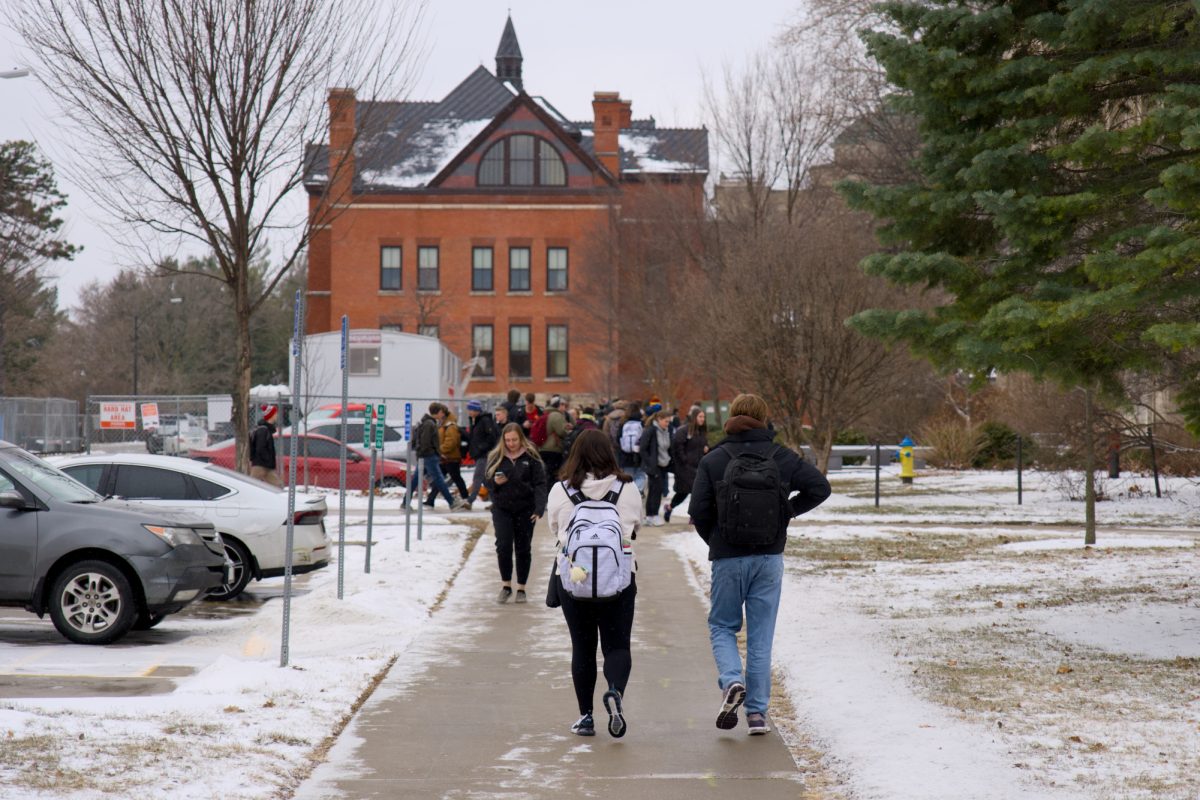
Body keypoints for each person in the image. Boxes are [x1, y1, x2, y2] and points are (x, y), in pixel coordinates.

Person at [691, 393, 831, 736]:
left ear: (732, 416)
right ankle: (756, 715)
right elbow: (820, 487)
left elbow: (698, 511)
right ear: (763, 419)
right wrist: (787, 512)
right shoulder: (781, 456)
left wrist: (718, 541)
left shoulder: (715, 459)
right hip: (769, 558)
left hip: (728, 557)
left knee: (722, 626)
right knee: (760, 636)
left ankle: (731, 682)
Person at [546, 429, 642, 738]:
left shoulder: (561, 490)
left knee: (583, 648)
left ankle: (585, 717)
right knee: (617, 646)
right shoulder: (627, 488)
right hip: (619, 579)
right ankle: (614, 692)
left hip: (574, 579)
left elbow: (554, 529)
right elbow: (634, 527)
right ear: (609, 453)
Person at [485, 422, 548, 604]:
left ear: (521, 439)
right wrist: (496, 483)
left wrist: (539, 507)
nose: (511, 444)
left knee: (523, 548)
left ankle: (521, 588)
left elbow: (540, 483)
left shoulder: (531, 457)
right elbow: (486, 481)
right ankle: (506, 585)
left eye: (514, 440)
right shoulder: (496, 456)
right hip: (502, 508)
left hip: (525, 509)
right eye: (507, 440)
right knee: (503, 546)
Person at [406, 403, 467, 510]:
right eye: (442, 412)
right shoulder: (430, 424)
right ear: (438, 412)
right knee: (439, 479)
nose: (443, 415)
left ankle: (406, 502)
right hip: (429, 456)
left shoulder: (428, 422)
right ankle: (452, 502)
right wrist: (435, 453)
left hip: (425, 456)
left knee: (416, 479)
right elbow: (426, 442)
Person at [665, 407, 708, 522]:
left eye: (703, 417)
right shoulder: (684, 430)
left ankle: (689, 515)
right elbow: (677, 446)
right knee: (684, 492)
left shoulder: (701, 431)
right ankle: (672, 508)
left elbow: (701, 446)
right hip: (684, 468)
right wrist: (684, 460)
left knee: (693, 492)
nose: (703, 419)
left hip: (697, 467)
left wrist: (706, 450)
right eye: (700, 416)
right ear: (694, 417)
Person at [638, 410, 673, 525]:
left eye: (669, 422)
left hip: (664, 464)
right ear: (658, 420)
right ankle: (651, 515)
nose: (667, 424)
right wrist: (650, 462)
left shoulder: (667, 431)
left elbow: (668, 447)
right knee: (654, 490)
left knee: (658, 490)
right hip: (654, 465)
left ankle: (653, 514)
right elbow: (643, 449)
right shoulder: (651, 431)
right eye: (665, 421)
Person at [464, 399, 500, 508]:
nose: (469, 412)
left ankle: (470, 501)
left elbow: (491, 438)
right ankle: (497, 502)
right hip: (479, 454)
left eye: (471, 409)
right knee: (486, 480)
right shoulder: (475, 421)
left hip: (485, 455)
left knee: (478, 477)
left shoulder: (485, 420)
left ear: (476, 410)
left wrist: (480, 448)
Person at [429, 407, 468, 504]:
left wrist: (439, 450)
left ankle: (465, 498)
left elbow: (451, 442)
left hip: (451, 458)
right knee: (440, 478)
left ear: (442, 413)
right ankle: (430, 500)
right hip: (445, 457)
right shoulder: (443, 424)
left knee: (456, 478)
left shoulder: (450, 426)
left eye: (437, 412)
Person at [248, 404, 282, 487]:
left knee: (277, 486)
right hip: (260, 465)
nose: (277, 415)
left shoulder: (266, 430)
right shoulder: (263, 430)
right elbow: (260, 448)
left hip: (266, 466)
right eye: (275, 413)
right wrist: (267, 459)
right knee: (251, 486)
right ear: (271, 415)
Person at [539, 397, 570, 480]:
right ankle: (551, 490)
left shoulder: (546, 413)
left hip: (543, 447)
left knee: (546, 472)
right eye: (563, 405)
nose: (564, 407)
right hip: (553, 448)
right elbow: (561, 432)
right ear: (558, 405)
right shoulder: (556, 415)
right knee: (553, 474)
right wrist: (568, 429)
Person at [617, 405, 644, 491]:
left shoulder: (622, 423)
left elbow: (618, 438)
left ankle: (629, 495)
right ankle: (638, 492)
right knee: (640, 476)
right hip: (639, 456)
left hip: (625, 457)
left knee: (628, 479)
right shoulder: (642, 423)